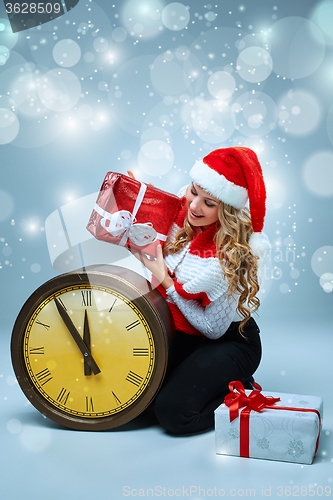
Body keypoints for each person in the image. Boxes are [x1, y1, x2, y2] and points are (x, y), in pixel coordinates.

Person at [129, 147, 270, 435]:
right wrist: (139, 199)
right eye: (194, 192)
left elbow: (212, 329)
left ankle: (241, 388)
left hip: (227, 341)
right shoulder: (184, 216)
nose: (195, 207)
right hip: (182, 332)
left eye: (209, 203)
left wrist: (165, 282)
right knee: (137, 403)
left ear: (227, 210)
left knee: (173, 414)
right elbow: (149, 228)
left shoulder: (231, 255)